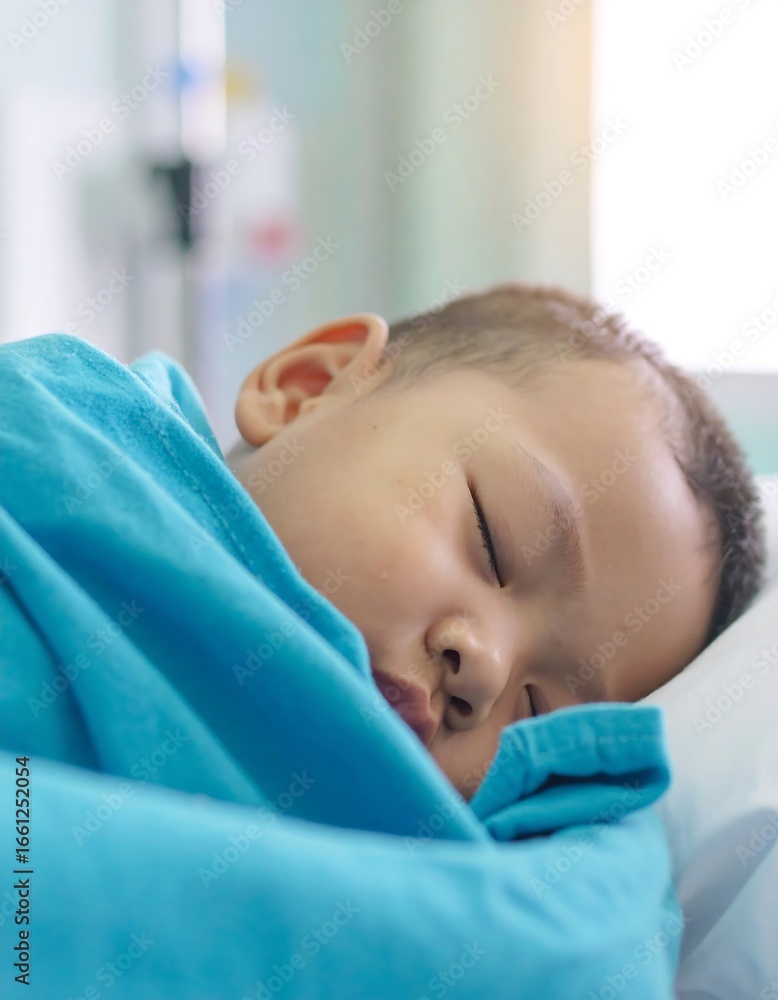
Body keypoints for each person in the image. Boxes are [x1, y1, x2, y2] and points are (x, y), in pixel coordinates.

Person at [0, 283, 763, 998]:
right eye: (495, 544)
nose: (485, 670)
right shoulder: (57, 453)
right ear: (306, 385)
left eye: (538, 712)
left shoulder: (424, 868)